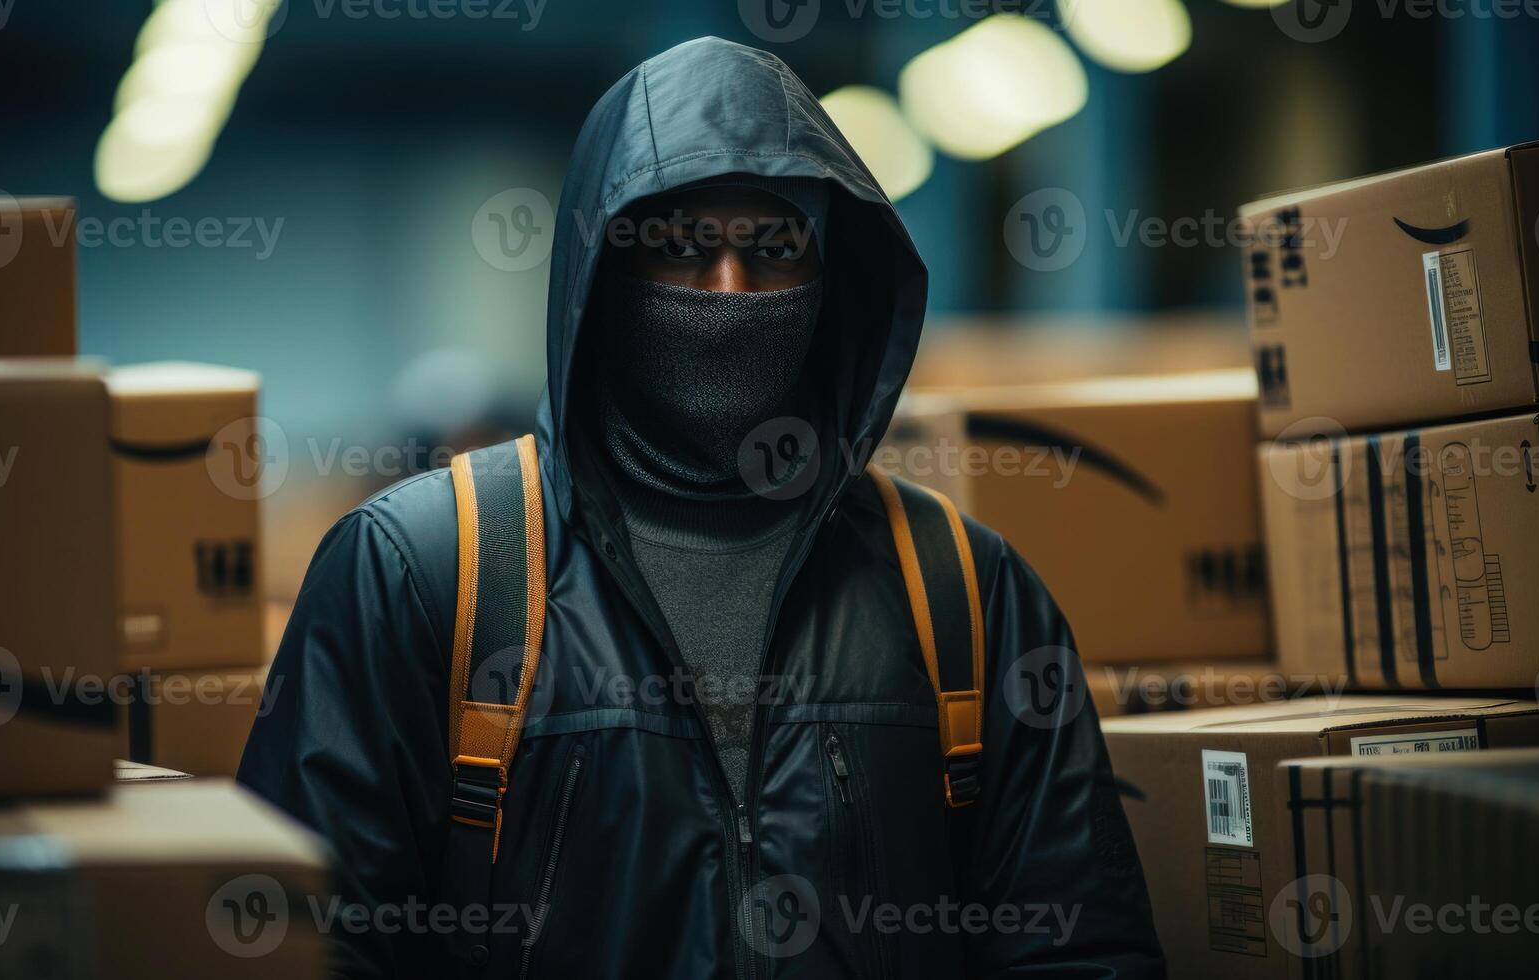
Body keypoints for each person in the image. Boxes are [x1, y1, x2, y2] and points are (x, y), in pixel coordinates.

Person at [240, 36, 1164, 979]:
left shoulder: (962, 592)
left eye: (771, 250)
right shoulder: (424, 571)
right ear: (599, 273)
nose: (730, 293)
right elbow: (310, 944)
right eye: (680, 249)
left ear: (830, 278)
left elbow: (1078, 948)